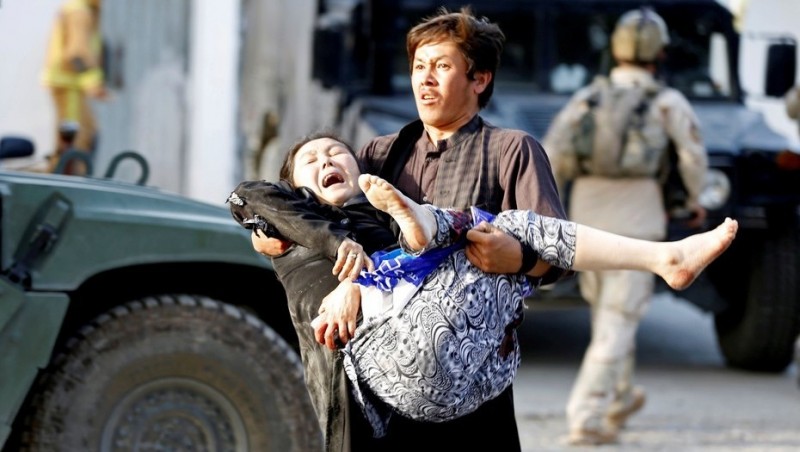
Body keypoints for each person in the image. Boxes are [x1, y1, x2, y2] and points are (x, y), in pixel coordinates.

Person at [234, 132, 736, 448]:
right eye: (311, 159)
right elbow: (246, 197)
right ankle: (664, 258)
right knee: (494, 228)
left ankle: (433, 226)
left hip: (464, 377)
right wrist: (342, 255)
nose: (326, 158)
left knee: (500, 235)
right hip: (377, 375)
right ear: (293, 186)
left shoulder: (386, 212)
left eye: (336, 152)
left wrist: (362, 282)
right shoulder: (290, 223)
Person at [542, 7, 709, 445]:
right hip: (639, 221)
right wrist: (695, 200)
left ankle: (620, 396)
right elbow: (693, 158)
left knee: (610, 318)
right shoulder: (668, 102)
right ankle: (586, 416)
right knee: (619, 320)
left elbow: (552, 154)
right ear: (661, 53)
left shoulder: (587, 98)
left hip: (586, 226)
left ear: (615, 50)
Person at [41, 0, 108, 175]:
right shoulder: (80, 12)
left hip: (70, 84)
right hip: (70, 84)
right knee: (75, 138)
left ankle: (70, 177)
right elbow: (76, 53)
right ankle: (69, 181)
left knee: (80, 135)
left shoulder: (78, 9)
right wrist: (91, 82)